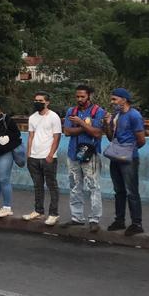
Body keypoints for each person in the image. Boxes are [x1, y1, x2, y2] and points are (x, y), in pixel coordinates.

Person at [61, 85, 106, 233]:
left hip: (90, 155)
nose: (80, 99)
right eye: (78, 96)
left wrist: (80, 123)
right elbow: (67, 131)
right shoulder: (71, 111)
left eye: (83, 96)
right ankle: (77, 217)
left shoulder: (98, 112)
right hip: (73, 153)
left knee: (94, 187)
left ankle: (94, 219)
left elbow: (98, 133)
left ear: (89, 96)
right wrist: (87, 127)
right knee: (74, 186)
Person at [103, 88, 146, 236]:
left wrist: (128, 150)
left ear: (124, 99)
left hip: (129, 159)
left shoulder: (134, 115)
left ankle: (136, 223)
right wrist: (107, 123)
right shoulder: (116, 115)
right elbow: (110, 137)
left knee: (131, 191)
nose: (112, 102)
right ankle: (119, 220)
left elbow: (141, 140)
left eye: (115, 99)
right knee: (119, 191)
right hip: (116, 156)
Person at [23, 91, 62, 226]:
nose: (37, 103)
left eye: (40, 101)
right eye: (36, 100)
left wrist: (51, 154)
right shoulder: (32, 117)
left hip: (48, 157)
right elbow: (31, 136)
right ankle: (38, 210)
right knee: (37, 186)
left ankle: (53, 214)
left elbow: (57, 137)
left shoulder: (54, 117)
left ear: (47, 102)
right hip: (33, 157)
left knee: (52, 186)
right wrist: (28, 154)